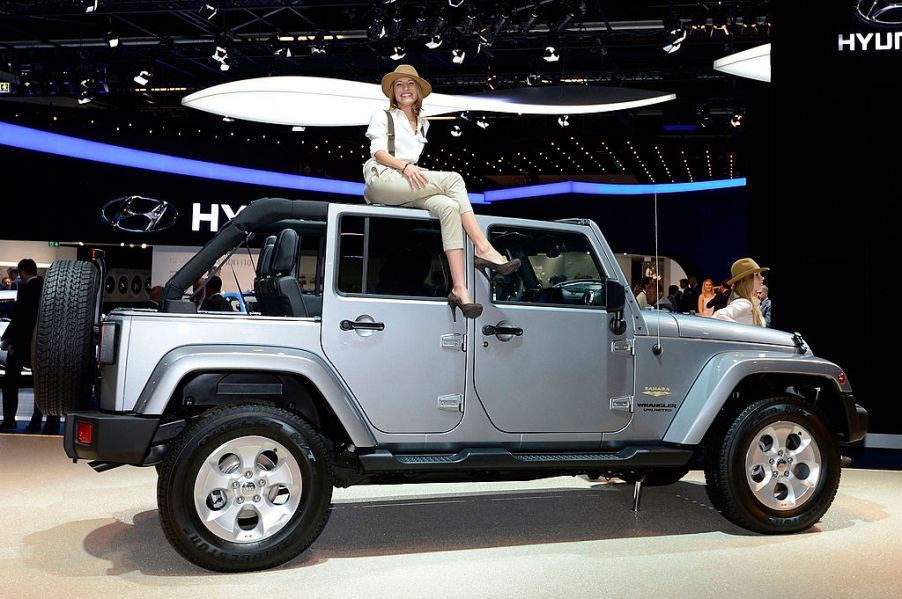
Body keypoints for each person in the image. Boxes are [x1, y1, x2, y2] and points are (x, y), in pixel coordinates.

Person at [362, 64, 520, 320]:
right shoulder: (384, 115)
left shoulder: (423, 124)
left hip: (404, 183)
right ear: (392, 91)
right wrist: (405, 166)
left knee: (449, 207)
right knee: (455, 180)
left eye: (410, 84)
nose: (405, 89)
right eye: (399, 85)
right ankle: (483, 248)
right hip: (383, 179)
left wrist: (411, 168)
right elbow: (378, 152)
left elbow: (410, 161)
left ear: (419, 91)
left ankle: (459, 289)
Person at [1, 259, 58, 433]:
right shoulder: (46, 287)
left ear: (23, 272)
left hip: (23, 344)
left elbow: (23, 319)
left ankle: (10, 420)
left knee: (10, 382)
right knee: (40, 385)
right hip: (44, 343)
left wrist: (12, 343)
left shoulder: (27, 289)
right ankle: (36, 421)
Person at [713, 257, 769, 327]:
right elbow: (717, 316)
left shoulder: (751, 303)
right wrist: (743, 331)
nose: (762, 278)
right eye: (757, 275)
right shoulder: (744, 303)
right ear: (746, 280)